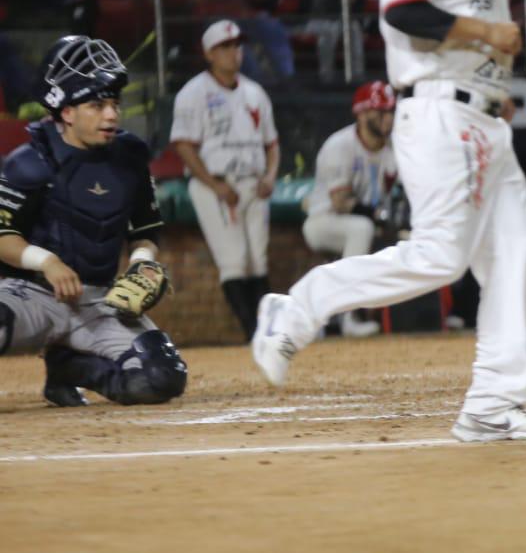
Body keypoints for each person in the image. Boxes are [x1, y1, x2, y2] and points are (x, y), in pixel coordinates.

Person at [252, 0, 526, 444]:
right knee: (440, 256)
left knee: (515, 255)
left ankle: (493, 405)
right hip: (441, 112)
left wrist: (491, 83)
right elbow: (403, 12)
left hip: (481, 116)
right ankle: (296, 309)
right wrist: (486, 34)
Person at [0, 36, 186, 407]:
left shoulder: (130, 157)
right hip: (33, 294)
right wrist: (47, 262)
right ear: (67, 111)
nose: (112, 115)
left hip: (100, 301)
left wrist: (141, 262)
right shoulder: (29, 161)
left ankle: (70, 368)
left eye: (114, 103)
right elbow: (3, 235)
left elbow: (145, 231)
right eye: (97, 105)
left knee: (161, 377)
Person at [169, 20, 279, 338]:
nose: (234, 52)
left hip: (254, 182)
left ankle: (266, 333)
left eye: (236, 45)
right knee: (235, 261)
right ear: (209, 53)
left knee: (258, 261)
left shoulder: (255, 93)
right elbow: (184, 146)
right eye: (225, 47)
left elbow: (272, 144)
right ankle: (252, 333)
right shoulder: (193, 93)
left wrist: (270, 176)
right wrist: (214, 184)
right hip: (216, 184)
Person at [302, 81, 398, 339]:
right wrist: (378, 216)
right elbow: (340, 201)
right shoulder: (341, 145)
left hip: (367, 220)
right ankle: (348, 317)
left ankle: (429, 314)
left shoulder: (394, 147)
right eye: (380, 111)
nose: (387, 118)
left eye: (390, 111)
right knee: (361, 229)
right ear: (362, 113)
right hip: (324, 220)